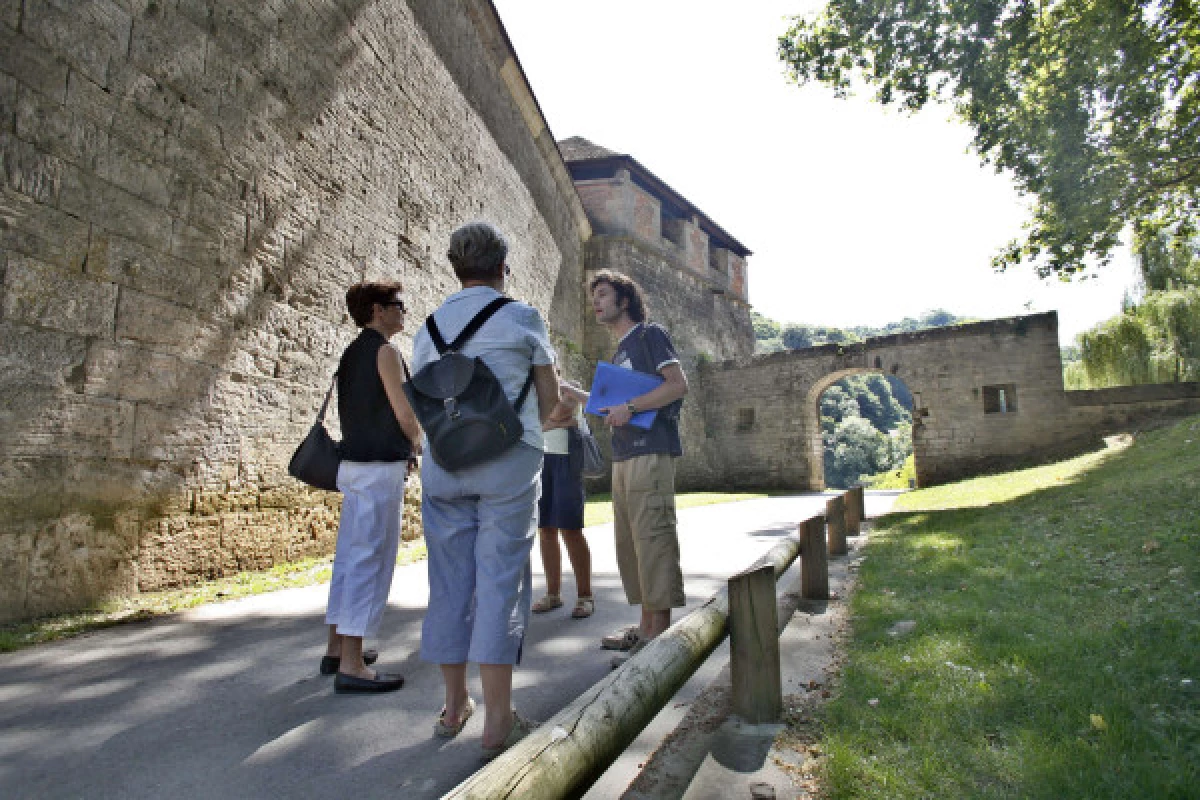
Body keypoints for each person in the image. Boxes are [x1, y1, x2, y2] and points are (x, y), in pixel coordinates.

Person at [415, 222, 560, 757]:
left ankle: (453, 708)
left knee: (450, 582)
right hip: (508, 467)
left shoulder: (427, 328)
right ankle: (499, 721)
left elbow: (423, 404)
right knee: (500, 583)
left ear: (455, 268)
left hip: (445, 466)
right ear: (504, 267)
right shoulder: (522, 317)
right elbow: (547, 406)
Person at [560, 270, 688, 668]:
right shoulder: (619, 353)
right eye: (593, 296)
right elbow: (612, 408)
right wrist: (578, 395)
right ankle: (645, 627)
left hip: (651, 453)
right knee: (630, 546)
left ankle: (657, 640)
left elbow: (676, 385)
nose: (595, 302)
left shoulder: (650, 335)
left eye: (602, 294)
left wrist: (630, 408)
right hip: (625, 456)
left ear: (624, 300)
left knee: (653, 538)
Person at [323, 281, 422, 693]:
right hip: (379, 467)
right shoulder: (385, 351)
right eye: (398, 306)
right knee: (371, 560)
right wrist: (418, 442)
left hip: (354, 465)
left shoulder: (351, 353)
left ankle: (336, 648)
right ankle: (352, 664)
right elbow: (403, 410)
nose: (403, 312)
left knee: (349, 558)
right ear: (378, 311)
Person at [531, 372, 594, 619]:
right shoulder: (531, 395)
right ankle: (553, 594)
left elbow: (557, 415)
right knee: (545, 529)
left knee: (571, 530)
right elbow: (533, 426)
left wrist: (546, 423)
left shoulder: (571, 388)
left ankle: (585, 596)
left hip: (567, 461)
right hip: (539, 461)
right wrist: (548, 424)